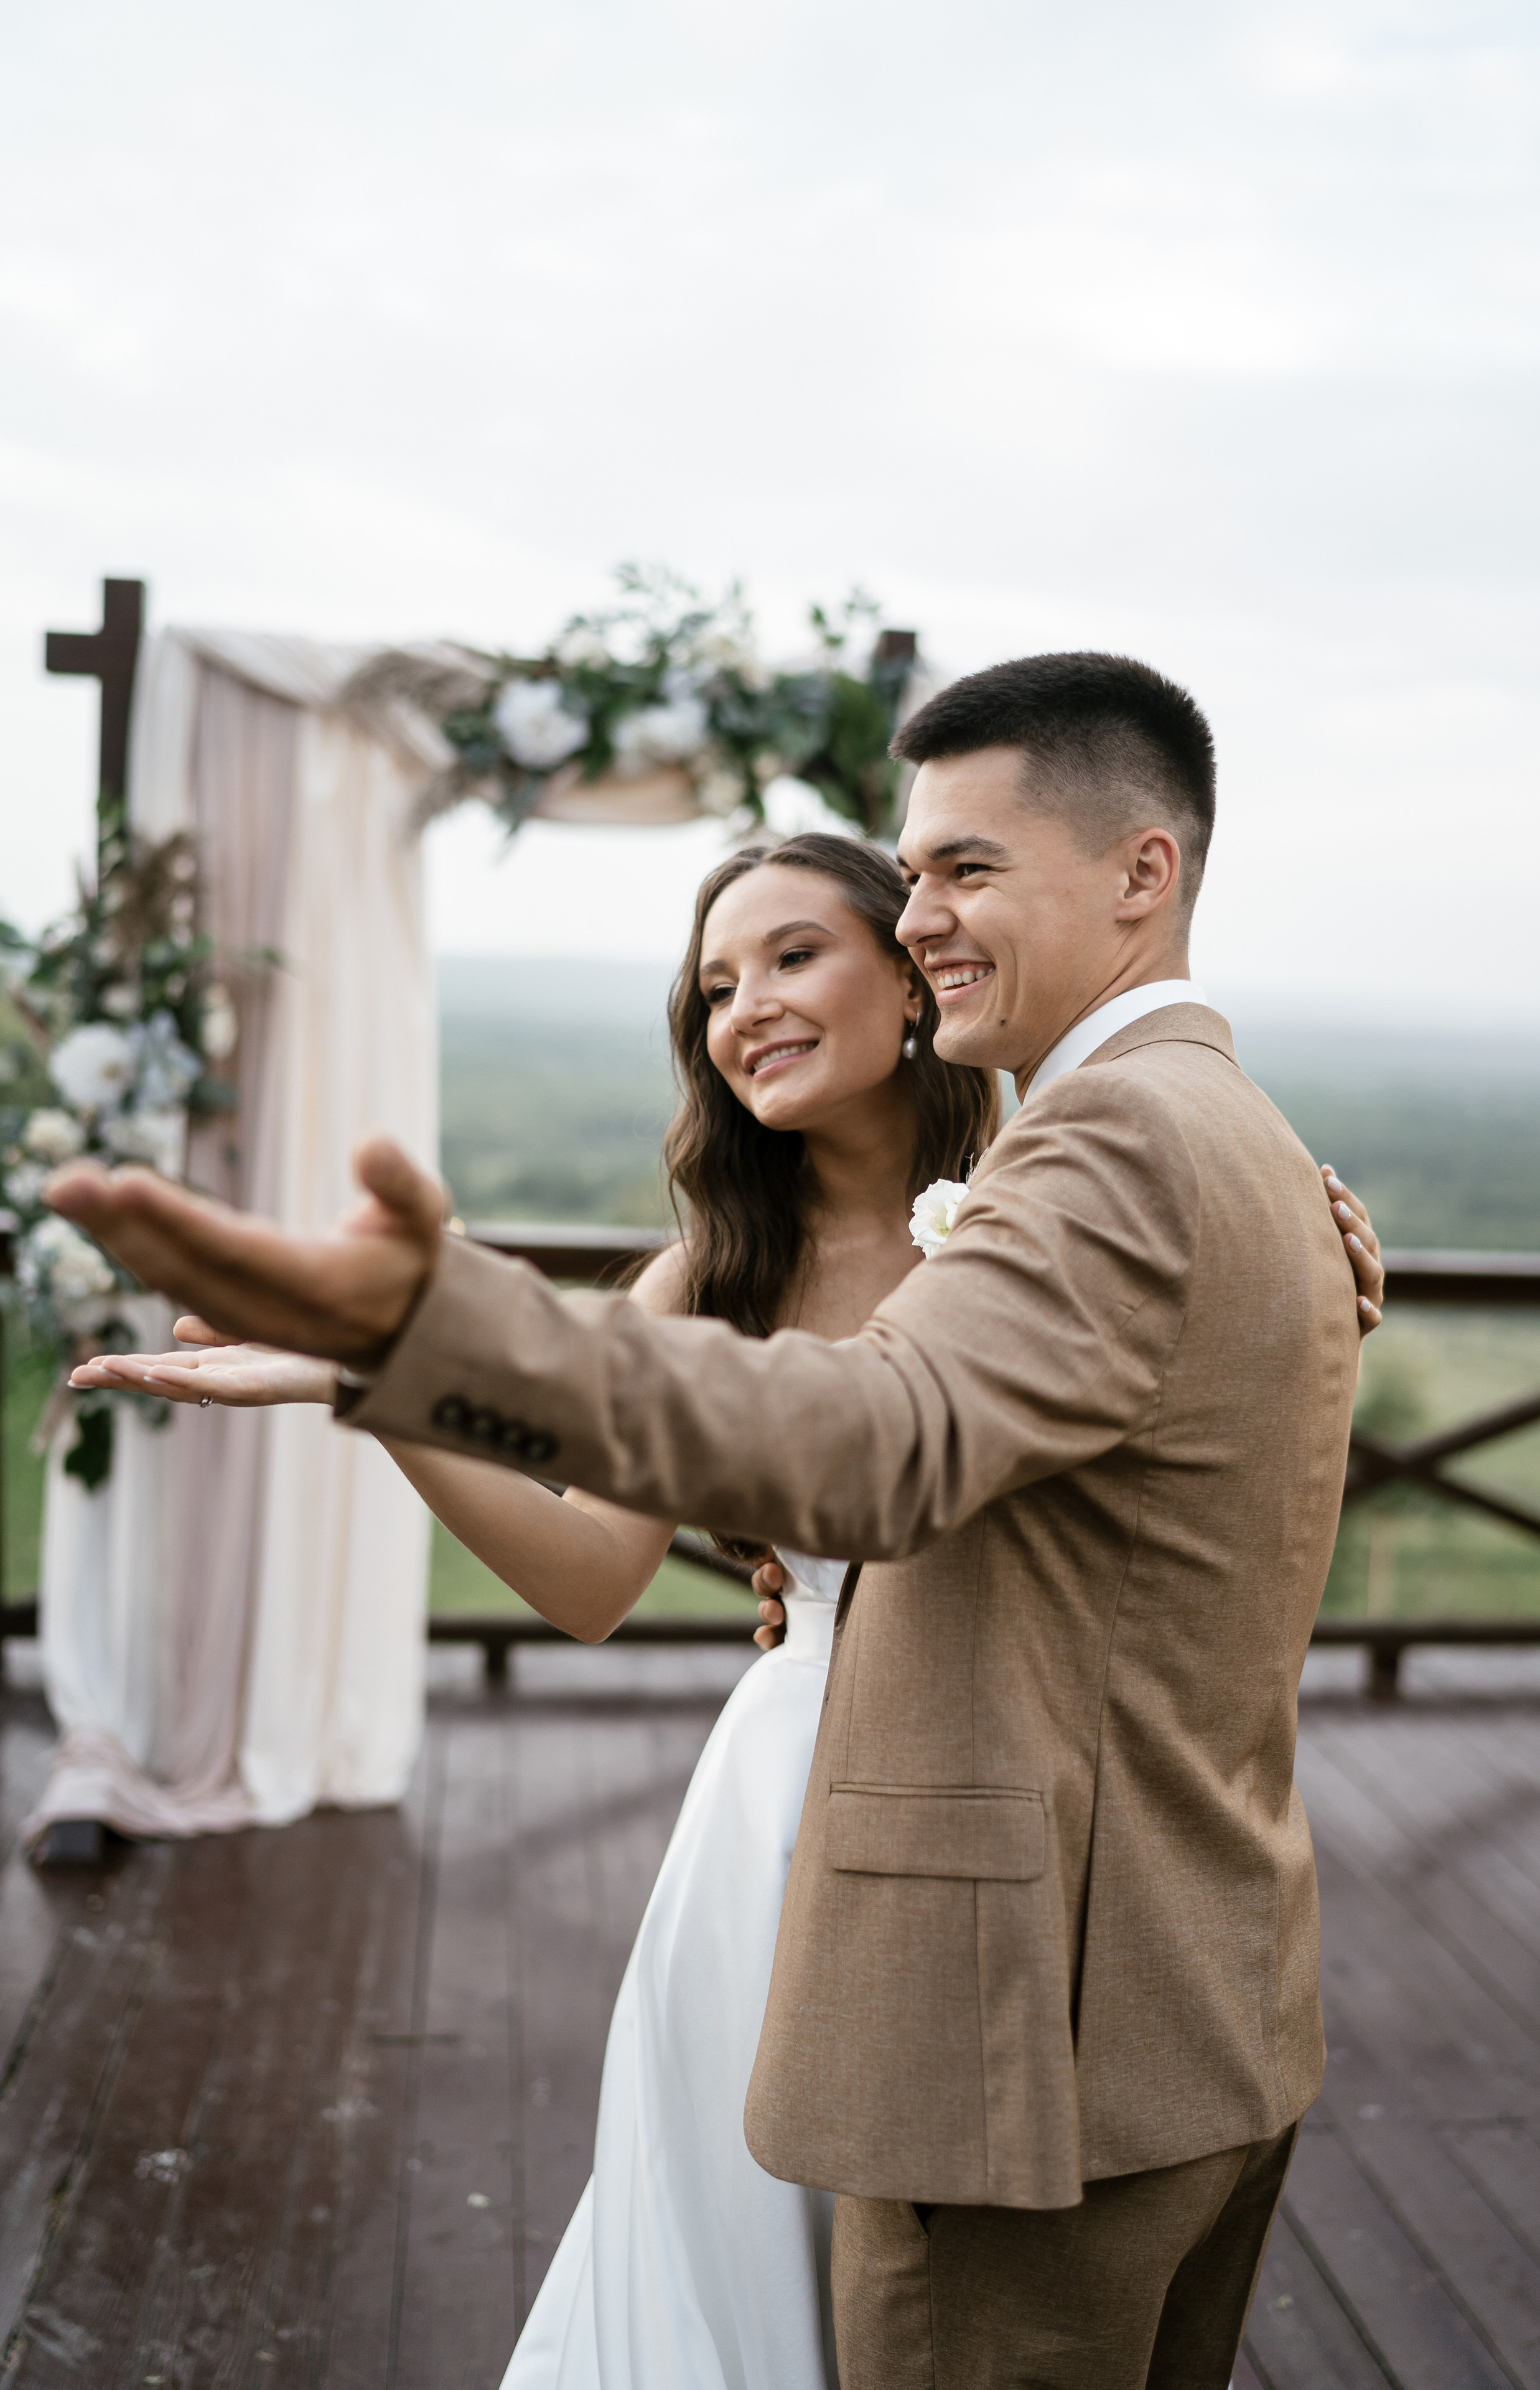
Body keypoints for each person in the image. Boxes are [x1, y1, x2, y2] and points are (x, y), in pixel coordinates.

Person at [54, 652, 1386, 2390]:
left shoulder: (1085, 1169)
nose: (746, 1004)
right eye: (713, 986)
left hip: (1016, 1920)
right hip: (844, 1841)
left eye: (934, 889)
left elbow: (886, 1437)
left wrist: (427, 1327)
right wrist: (367, 1392)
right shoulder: (784, 1251)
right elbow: (598, 1573)